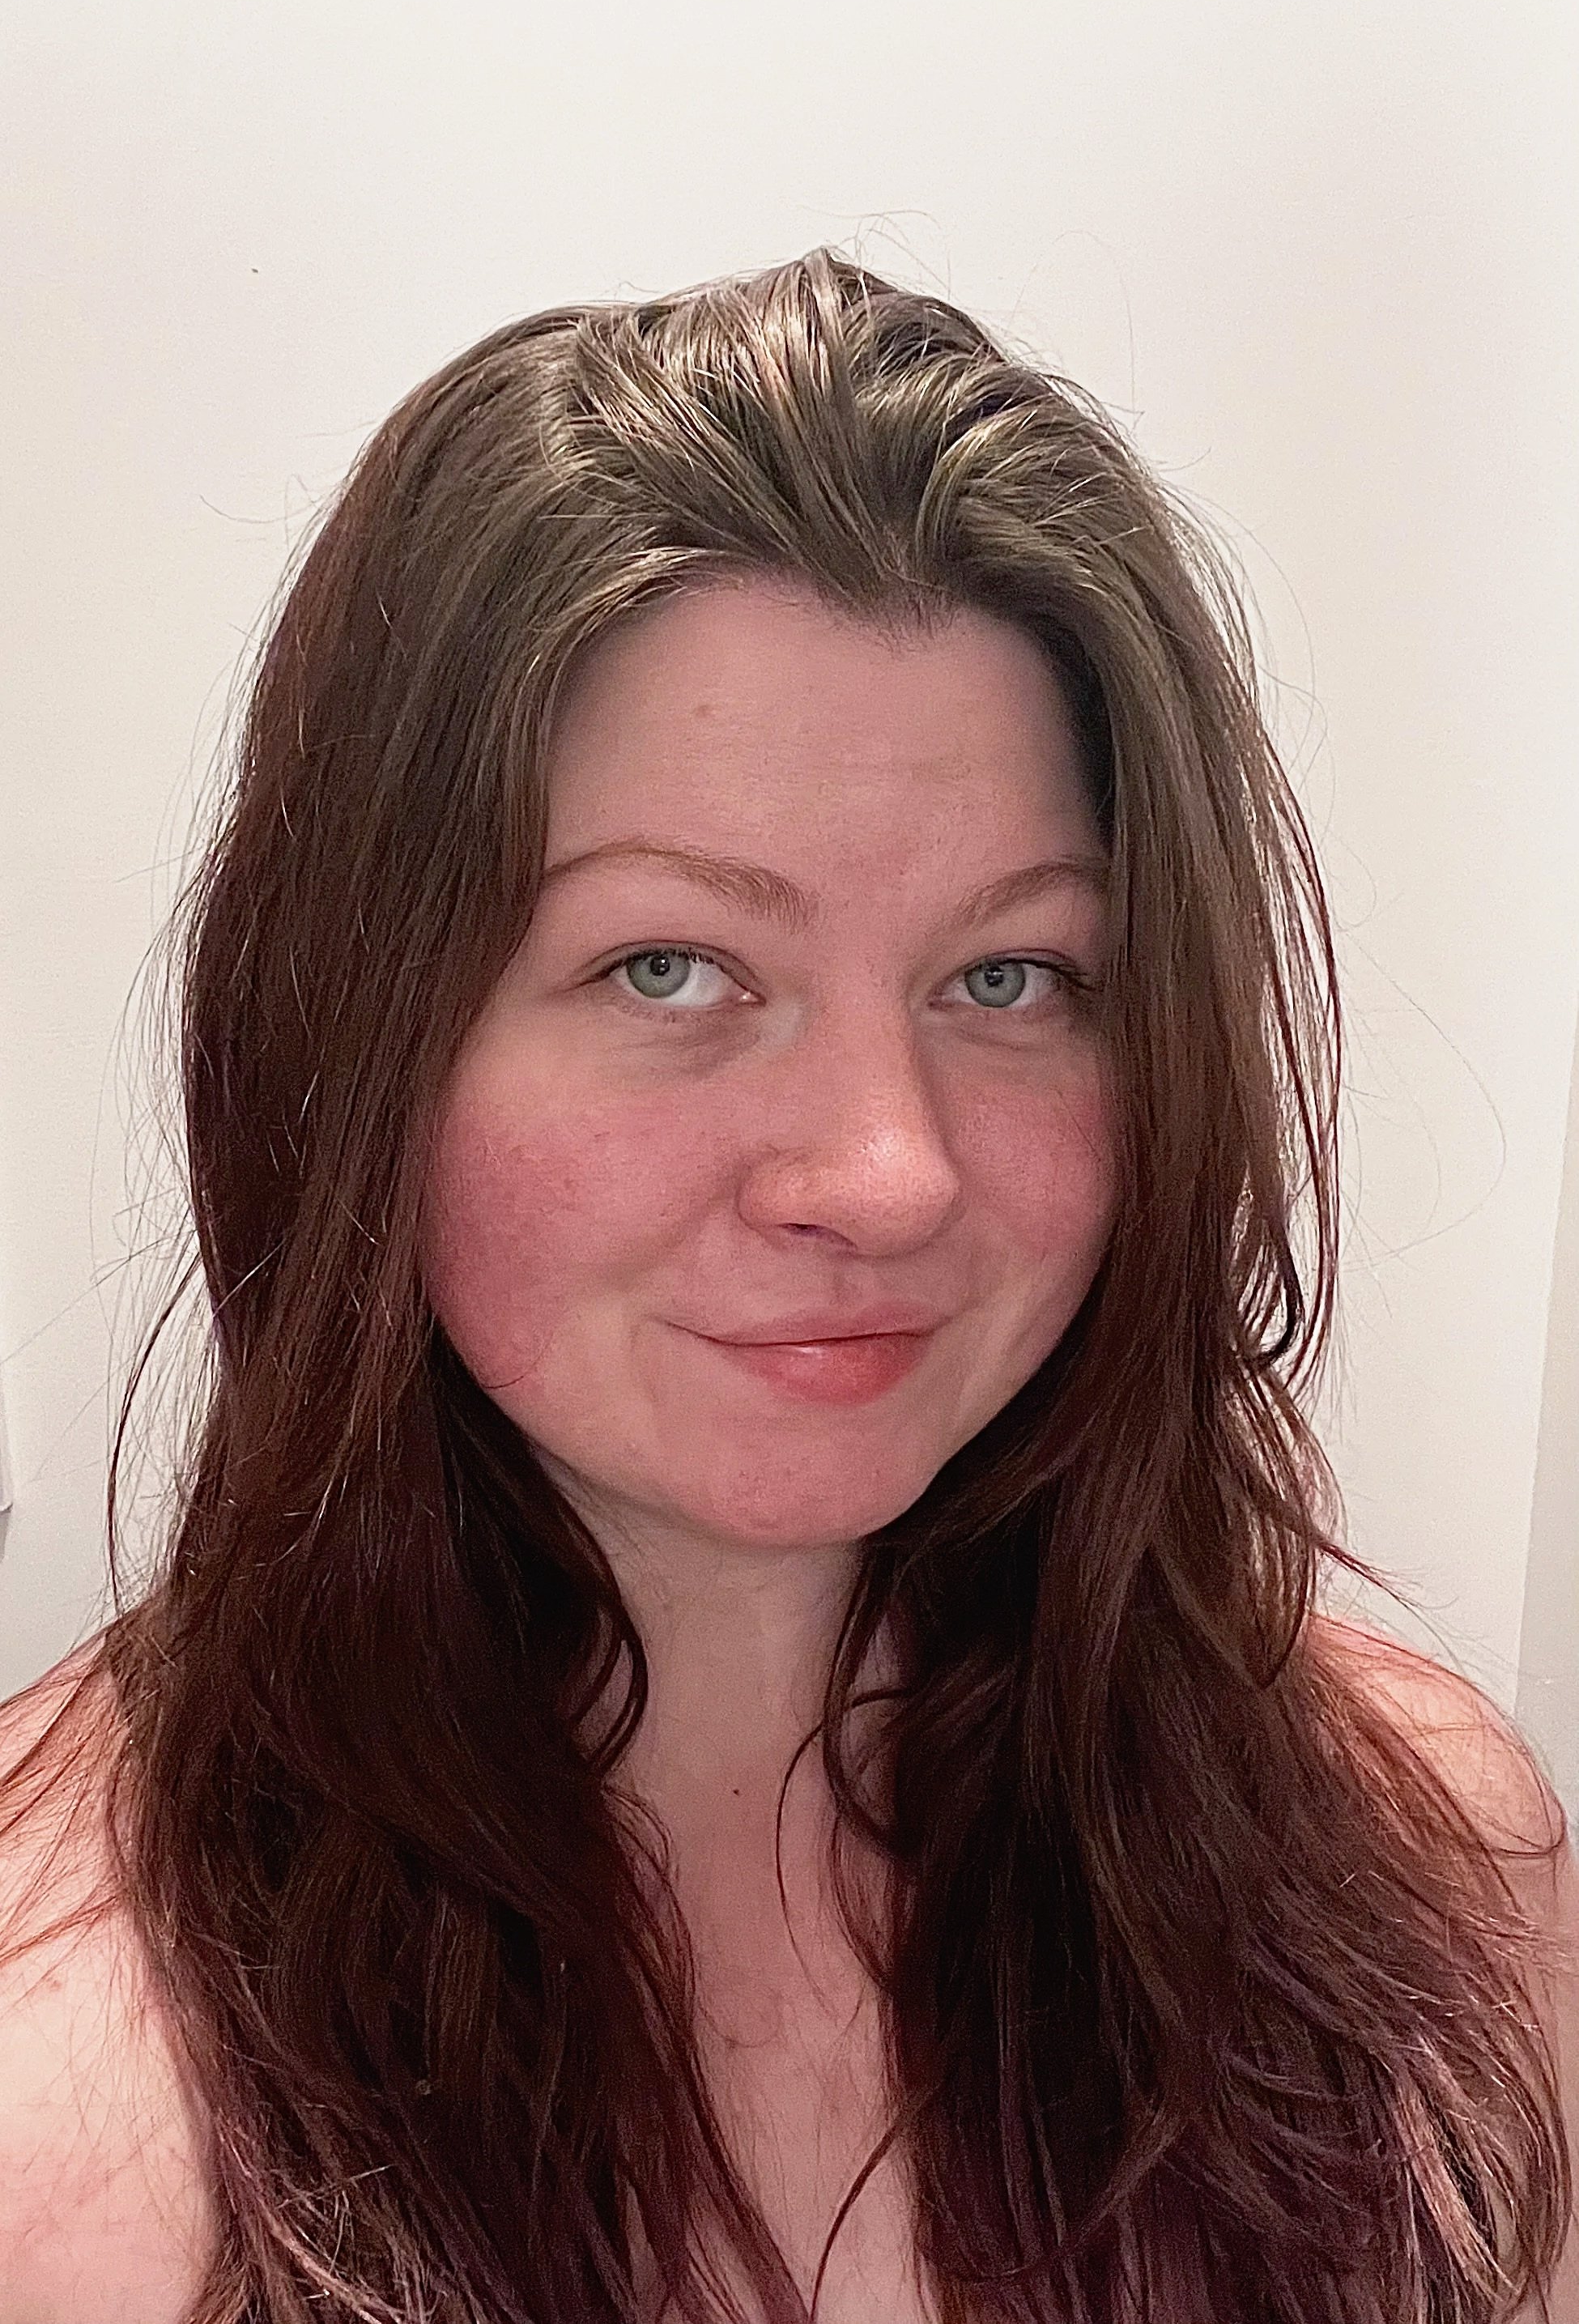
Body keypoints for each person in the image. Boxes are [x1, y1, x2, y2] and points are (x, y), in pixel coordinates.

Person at [0, 246, 1573, 2324]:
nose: (888, 1170)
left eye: (1009, 976)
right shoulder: (70, 2080)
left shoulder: (1426, 1893)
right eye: (671, 969)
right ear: (354, 1037)